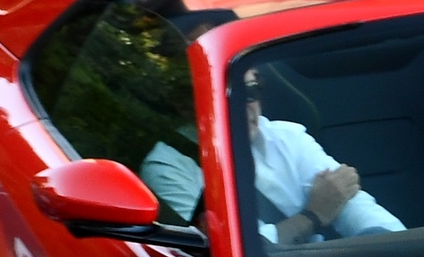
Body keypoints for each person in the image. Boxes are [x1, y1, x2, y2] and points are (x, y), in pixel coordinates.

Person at [142, 75, 403, 243]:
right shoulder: (166, 167)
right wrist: (313, 215)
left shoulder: (287, 136)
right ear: (184, 103)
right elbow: (235, 252)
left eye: (251, 91)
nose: (245, 105)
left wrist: (400, 248)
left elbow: (351, 204)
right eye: (227, 94)